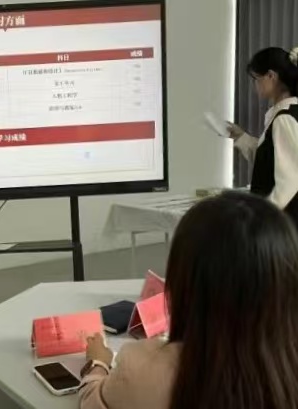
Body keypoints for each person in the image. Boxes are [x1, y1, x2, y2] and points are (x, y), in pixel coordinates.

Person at [78, 192, 298, 409]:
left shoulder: (144, 369)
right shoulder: (285, 373)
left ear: (183, 279)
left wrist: (97, 364)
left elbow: (91, 402)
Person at [228, 47, 298, 227]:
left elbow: (289, 181)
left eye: (256, 79)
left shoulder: (284, 118)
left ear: (271, 76)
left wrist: (261, 218)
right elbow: (272, 159)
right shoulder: (287, 113)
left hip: (284, 224)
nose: (255, 85)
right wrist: (241, 136)